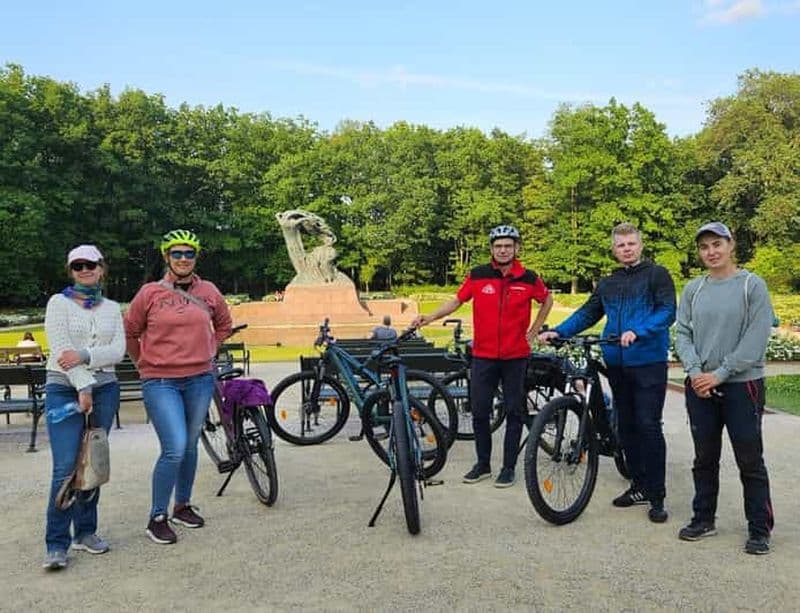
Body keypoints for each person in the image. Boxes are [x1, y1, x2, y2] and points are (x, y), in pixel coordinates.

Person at [539, 222, 675, 523]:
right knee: (625, 426)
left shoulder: (657, 275)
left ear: (640, 245)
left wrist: (637, 331)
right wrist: (558, 332)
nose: (626, 249)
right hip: (617, 362)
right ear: (614, 250)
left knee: (648, 425)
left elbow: (667, 311)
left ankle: (657, 494)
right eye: (620, 245)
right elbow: (589, 312)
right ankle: (638, 485)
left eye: (631, 244)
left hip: (648, 362)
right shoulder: (609, 282)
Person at [413, 225, 553, 488]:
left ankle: (508, 467)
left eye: (508, 246)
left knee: (514, 412)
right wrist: (429, 317)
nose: (503, 250)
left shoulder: (529, 278)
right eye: (498, 246)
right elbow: (456, 301)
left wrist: (533, 331)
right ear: (491, 249)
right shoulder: (478, 275)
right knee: (479, 411)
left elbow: (547, 300)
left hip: (515, 356)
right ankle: (483, 464)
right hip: (484, 355)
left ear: (516, 248)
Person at [125, 229, 232, 545]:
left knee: (189, 446)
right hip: (161, 381)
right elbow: (131, 331)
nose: (183, 259)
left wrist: (211, 347)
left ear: (196, 257)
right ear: (166, 257)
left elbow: (224, 324)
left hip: (199, 378)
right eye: (177, 254)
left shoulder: (209, 290)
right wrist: (141, 362)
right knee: (174, 447)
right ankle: (157, 516)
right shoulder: (150, 293)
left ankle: (181, 505)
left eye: (189, 254)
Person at [674, 222, 774, 555]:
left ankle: (759, 528)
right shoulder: (693, 289)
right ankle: (703, 518)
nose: (711, 252)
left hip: (741, 386)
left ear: (731, 245)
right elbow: (683, 334)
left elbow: (756, 338)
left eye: (717, 244)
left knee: (749, 459)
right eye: (704, 247)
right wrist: (694, 372)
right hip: (700, 386)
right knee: (704, 457)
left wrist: (720, 373)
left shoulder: (751, 286)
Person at [42, 245, 126, 570]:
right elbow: (62, 350)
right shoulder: (58, 303)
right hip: (64, 388)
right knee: (65, 466)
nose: (84, 270)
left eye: (90, 264)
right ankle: (56, 542)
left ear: (101, 268)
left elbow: (117, 350)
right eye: (77, 265)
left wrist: (88, 357)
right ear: (70, 270)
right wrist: (83, 385)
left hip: (106, 387)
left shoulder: (111, 307)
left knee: (92, 461)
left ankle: (86, 531)